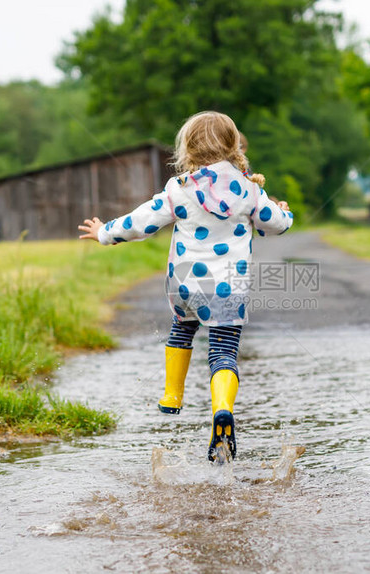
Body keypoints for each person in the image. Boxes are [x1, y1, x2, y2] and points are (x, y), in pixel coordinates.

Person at [78, 111, 293, 462]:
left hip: (183, 286)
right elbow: (276, 225)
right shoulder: (251, 191)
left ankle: (171, 396)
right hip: (226, 289)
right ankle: (222, 410)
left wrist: (105, 232)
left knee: (181, 331)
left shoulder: (179, 189)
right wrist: (283, 211)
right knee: (223, 353)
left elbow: (142, 221)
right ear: (233, 146)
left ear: (188, 149)